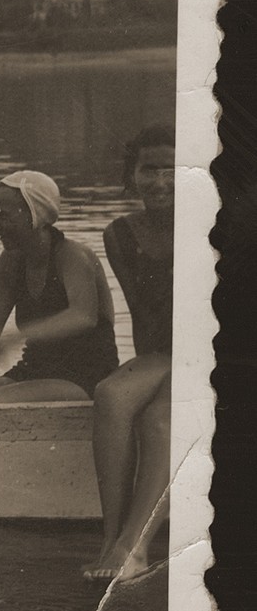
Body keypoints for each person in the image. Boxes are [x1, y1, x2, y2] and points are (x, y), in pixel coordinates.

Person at [0, 170, 118, 406]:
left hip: (87, 377)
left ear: (35, 214)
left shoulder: (73, 256)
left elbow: (83, 316)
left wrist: (17, 336)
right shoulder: (11, 261)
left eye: (3, 216)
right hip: (35, 369)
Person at [85, 125, 174, 581]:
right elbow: (146, 315)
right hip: (165, 349)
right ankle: (110, 538)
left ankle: (134, 547)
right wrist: (152, 371)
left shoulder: (221, 219)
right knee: (113, 393)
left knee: (159, 419)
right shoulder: (120, 234)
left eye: (172, 168)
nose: (160, 181)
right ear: (132, 175)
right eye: (149, 169)